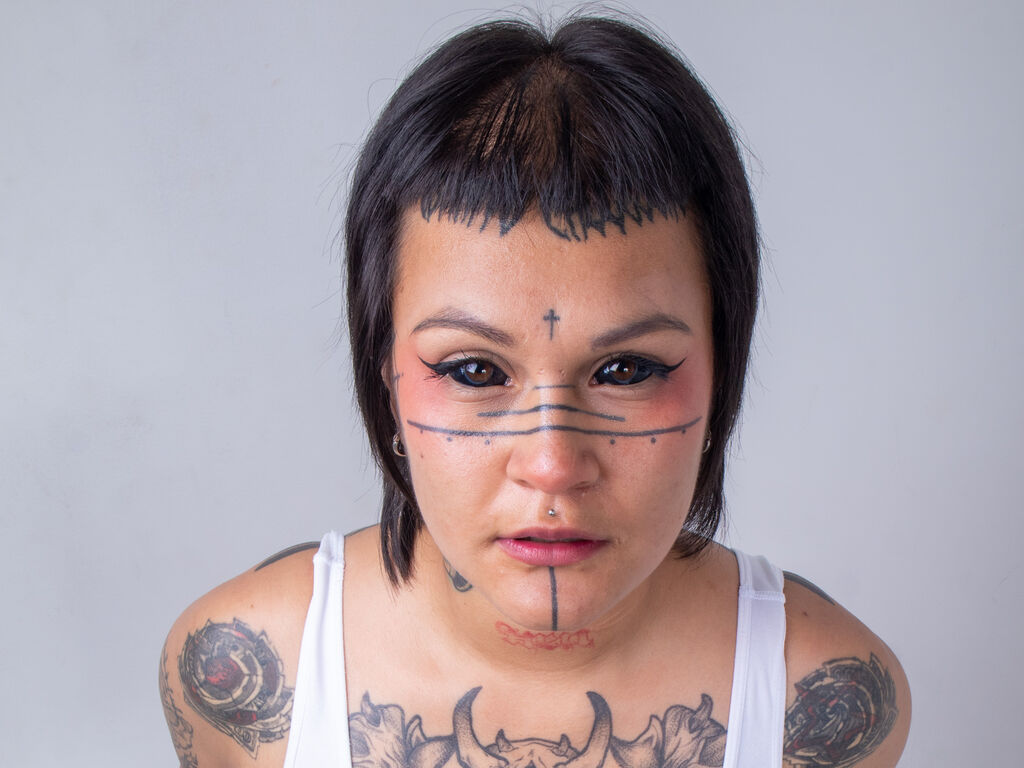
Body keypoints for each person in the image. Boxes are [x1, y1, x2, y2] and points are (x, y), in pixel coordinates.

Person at [160, 13, 910, 768]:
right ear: (384, 377)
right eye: (474, 372)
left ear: (721, 370)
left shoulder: (823, 704)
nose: (551, 466)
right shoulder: (247, 675)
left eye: (626, 371)